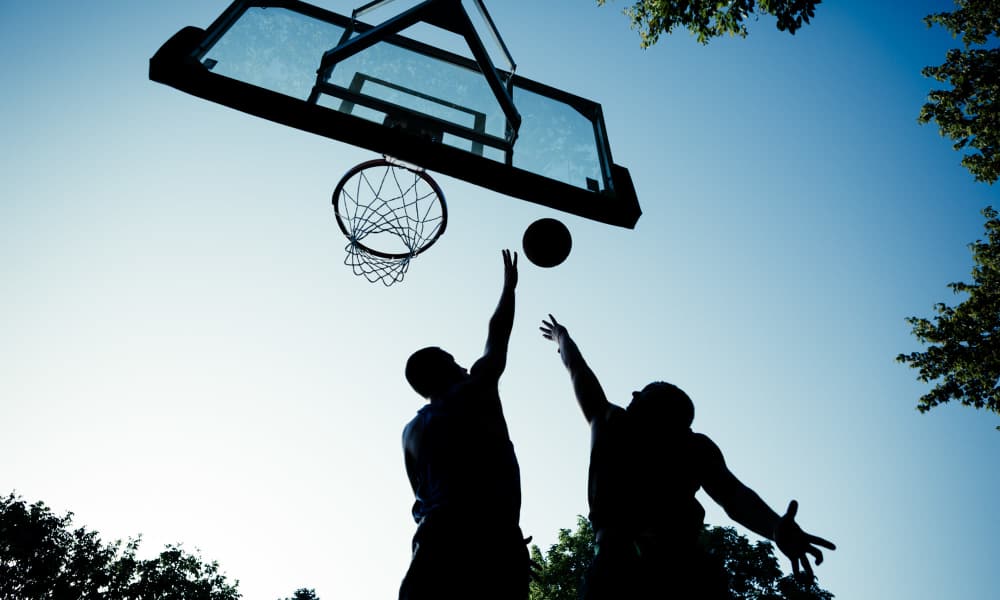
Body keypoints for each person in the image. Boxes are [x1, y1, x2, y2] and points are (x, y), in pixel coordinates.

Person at [539, 314, 835, 599]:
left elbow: (577, 368)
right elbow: (734, 498)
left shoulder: (613, 423)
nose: (631, 394)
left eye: (640, 393)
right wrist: (774, 526)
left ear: (656, 411)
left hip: (633, 569)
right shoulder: (694, 447)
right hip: (679, 569)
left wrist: (561, 337)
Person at [399, 249, 529, 600]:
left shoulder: (410, 432)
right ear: (445, 369)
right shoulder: (475, 389)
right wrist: (510, 289)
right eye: (453, 360)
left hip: (432, 543)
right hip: (489, 540)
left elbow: (422, 493)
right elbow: (497, 334)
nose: (462, 365)